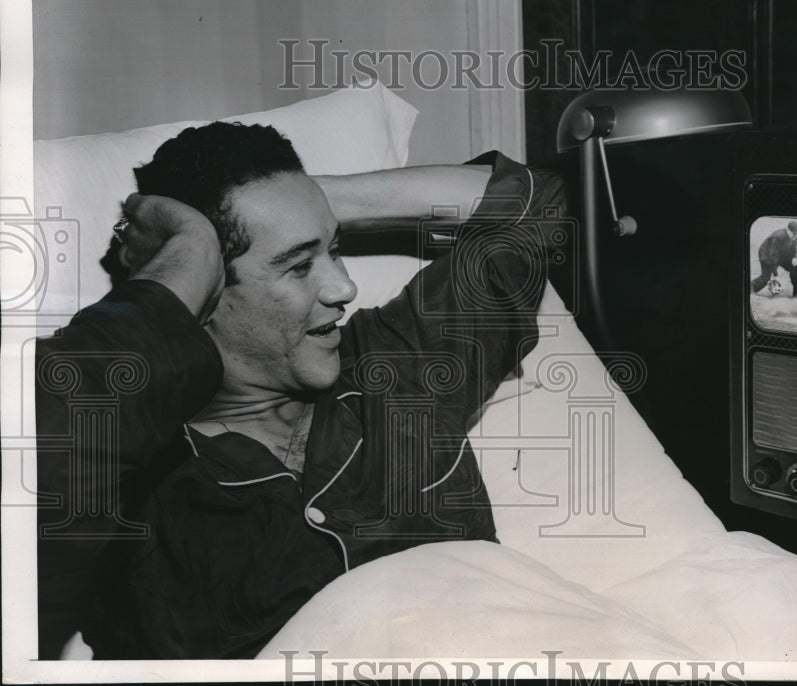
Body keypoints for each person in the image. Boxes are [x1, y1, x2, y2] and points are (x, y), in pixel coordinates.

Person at [35, 121, 566, 659]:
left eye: (334, 249)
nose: (344, 286)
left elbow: (537, 205)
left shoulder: (399, 363)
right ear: (206, 288)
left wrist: (303, 203)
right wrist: (190, 250)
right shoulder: (135, 474)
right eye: (297, 265)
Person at [751, 220, 797, 297]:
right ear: (788, 230)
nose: (794, 236)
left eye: (796, 234)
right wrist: (776, 275)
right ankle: (749, 288)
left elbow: (794, 247)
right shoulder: (778, 237)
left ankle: (796, 291)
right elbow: (773, 257)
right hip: (767, 255)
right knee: (765, 278)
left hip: (782, 254)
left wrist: (794, 257)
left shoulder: (795, 234)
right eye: (792, 234)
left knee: (795, 265)